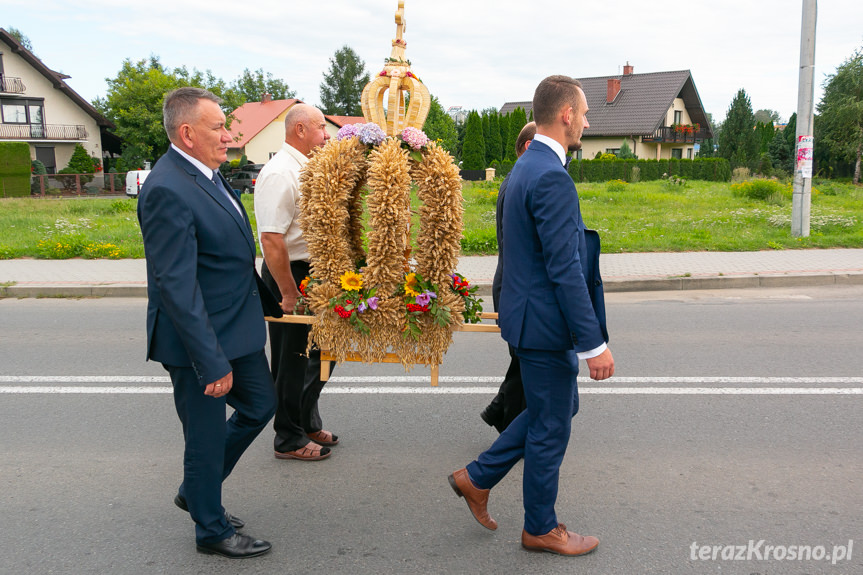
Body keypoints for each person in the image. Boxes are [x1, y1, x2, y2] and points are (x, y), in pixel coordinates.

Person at [448, 75, 614, 556]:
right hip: (543, 326)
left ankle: (476, 478)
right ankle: (540, 527)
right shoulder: (550, 176)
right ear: (565, 115)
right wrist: (594, 345)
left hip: (525, 318)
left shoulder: (525, 168)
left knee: (554, 411)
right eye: (583, 113)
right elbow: (566, 269)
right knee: (552, 424)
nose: (586, 121)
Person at [138, 87, 276, 559]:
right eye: (217, 127)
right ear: (186, 132)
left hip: (236, 327)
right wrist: (210, 361)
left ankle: (196, 491)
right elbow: (176, 285)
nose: (227, 135)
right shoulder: (166, 188)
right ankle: (211, 529)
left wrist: (272, 303)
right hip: (198, 341)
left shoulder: (211, 175)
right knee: (206, 435)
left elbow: (232, 257)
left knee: (260, 405)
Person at [254, 104, 337, 461]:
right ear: (300, 130)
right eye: (321, 127)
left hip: (313, 271)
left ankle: (305, 418)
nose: (327, 134)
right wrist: (289, 292)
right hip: (291, 274)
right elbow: (272, 240)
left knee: (324, 352)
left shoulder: (307, 167)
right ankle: (287, 437)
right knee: (292, 359)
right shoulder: (279, 173)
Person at [480, 121, 536, 433]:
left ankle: (499, 411)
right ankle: (510, 431)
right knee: (526, 366)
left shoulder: (517, 178)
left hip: (512, 284)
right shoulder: (520, 181)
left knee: (523, 362)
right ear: (529, 146)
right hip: (515, 287)